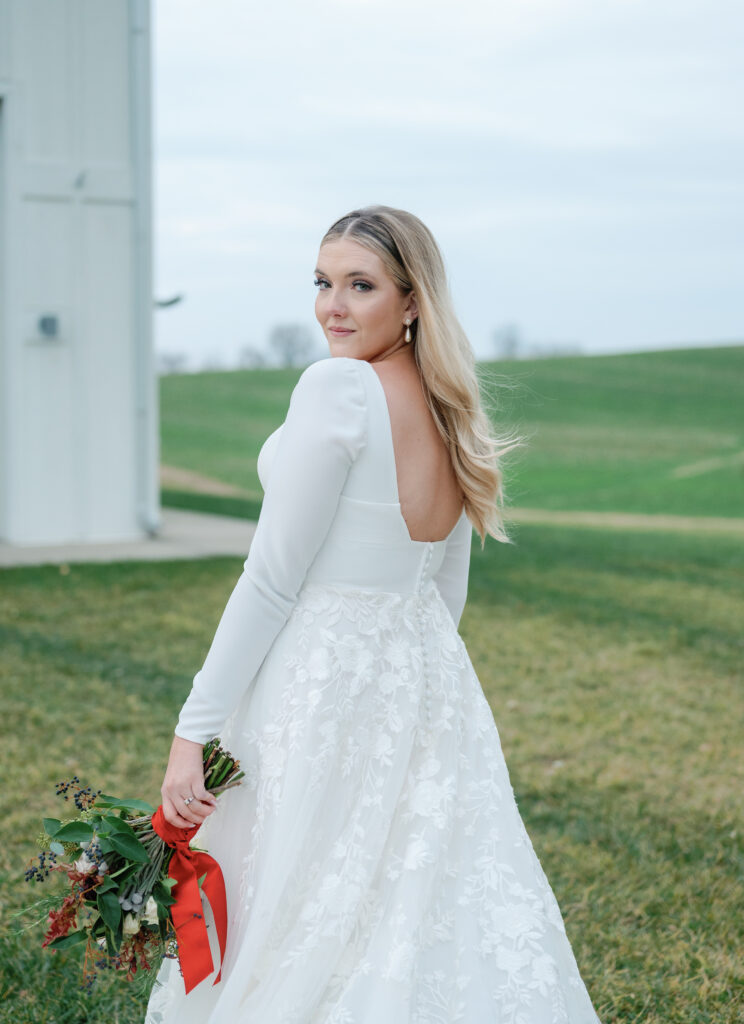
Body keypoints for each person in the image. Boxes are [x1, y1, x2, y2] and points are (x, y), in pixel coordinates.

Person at [145, 206, 601, 1023]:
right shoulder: (450, 406)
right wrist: (408, 687)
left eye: (362, 286)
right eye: (324, 283)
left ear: (412, 300)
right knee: (411, 891)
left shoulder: (339, 388)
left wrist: (195, 729)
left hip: (320, 676)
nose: (334, 307)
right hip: (428, 686)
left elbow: (271, 579)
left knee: (307, 893)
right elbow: (443, 590)